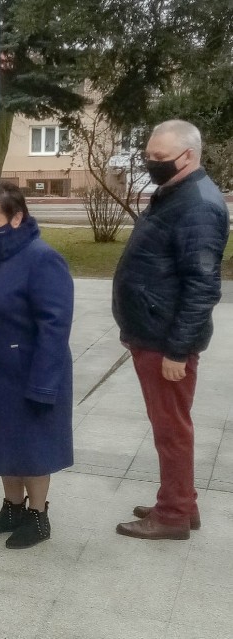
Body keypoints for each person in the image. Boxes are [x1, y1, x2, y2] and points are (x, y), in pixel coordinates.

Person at [112, 120, 229, 540]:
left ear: (189, 157)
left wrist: (177, 352)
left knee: (171, 430)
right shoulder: (175, 194)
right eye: (149, 155)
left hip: (166, 342)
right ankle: (183, 502)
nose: (151, 163)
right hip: (153, 332)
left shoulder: (198, 205)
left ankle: (173, 515)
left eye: (159, 158)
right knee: (171, 427)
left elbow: (202, 287)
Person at [0, 180, 74, 549]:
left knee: (32, 445)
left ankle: (38, 517)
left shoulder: (42, 259)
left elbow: (55, 327)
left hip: (28, 371)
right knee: (1, 442)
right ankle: (12, 507)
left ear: (17, 217)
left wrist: (43, 384)